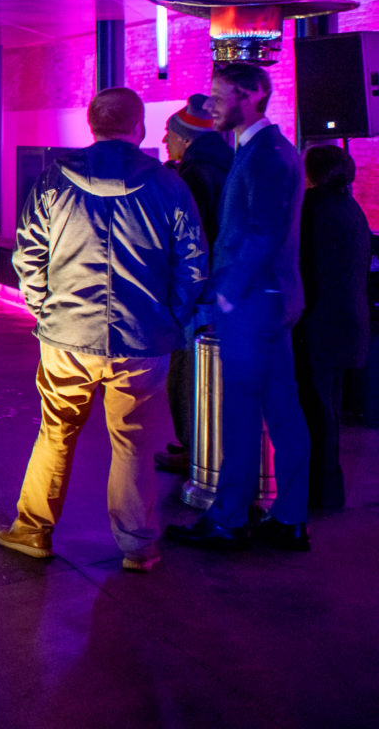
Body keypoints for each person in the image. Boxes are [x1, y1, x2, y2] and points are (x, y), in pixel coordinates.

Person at [0, 87, 207, 572]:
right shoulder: (169, 185)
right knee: (134, 441)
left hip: (66, 337)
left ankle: (32, 530)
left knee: (56, 432)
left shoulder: (55, 180)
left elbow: (28, 255)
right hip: (143, 339)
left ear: (91, 125)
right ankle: (137, 546)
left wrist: (42, 308)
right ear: (137, 128)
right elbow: (192, 264)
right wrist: (169, 318)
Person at [168, 63, 312, 552]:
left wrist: (227, 293)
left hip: (253, 304)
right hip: (270, 301)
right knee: (284, 410)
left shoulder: (266, 154)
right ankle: (290, 517)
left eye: (218, 93)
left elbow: (261, 233)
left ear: (252, 94)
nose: (211, 103)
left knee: (242, 414)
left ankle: (229, 519)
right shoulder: (267, 149)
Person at [155, 95, 234, 476]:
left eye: (169, 133)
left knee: (187, 372)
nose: (164, 138)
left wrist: (180, 294)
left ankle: (194, 450)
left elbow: (191, 240)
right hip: (222, 287)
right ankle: (196, 444)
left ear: (186, 139)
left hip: (200, 291)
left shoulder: (195, 175)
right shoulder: (224, 164)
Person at [294, 145, 370, 512]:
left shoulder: (312, 209)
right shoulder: (351, 208)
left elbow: (304, 268)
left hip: (319, 325)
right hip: (349, 323)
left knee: (316, 409)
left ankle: (317, 493)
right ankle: (328, 490)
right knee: (330, 409)